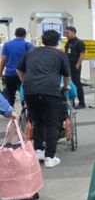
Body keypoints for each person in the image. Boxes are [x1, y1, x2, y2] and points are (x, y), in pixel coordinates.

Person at [16, 30, 71, 169]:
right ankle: (50, 157)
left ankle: (38, 150)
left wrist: (25, 82)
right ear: (58, 41)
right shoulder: (60, 55)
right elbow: (67, 75)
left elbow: (19, 70)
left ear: (42, 40)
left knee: (37, 121)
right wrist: (66, 86)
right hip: (50, 92)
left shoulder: (31, 52)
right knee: (52, 124)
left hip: (30, 91)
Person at [0, 27, 33, 106]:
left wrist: (0, 72)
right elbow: (33, 60)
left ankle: (11, 113)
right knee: (25, 93)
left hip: (10, 74)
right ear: (25, 35)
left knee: (10, 94)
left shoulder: (7, 45)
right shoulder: (28, 45)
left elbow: (3, 61)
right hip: (24, 74)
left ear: (15, 34)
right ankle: (25, 111)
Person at [64, 26, 86, 109]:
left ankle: (82, 103)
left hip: (75, 66)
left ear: (73, 32)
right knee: (69, 84)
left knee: (77, 84)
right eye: (65, 33)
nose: (66, 34)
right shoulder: (68, 42)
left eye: (68, 33)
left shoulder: (79, 42)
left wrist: (77, 65)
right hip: (67, 65)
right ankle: (71, 102)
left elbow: (82, 55)